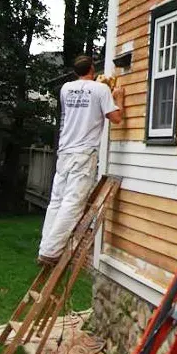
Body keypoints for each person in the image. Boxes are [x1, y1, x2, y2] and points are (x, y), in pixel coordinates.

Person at [37, 54, 124, 265]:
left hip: (65, 151)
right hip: (83, 153)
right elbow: (117, 119)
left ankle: (45, 246)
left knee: (57, 200)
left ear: (76, 71)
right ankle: (51, 251)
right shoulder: (101, 90)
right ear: (92, 69)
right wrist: (118, 98)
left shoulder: (65, 89)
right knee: (73, 202)